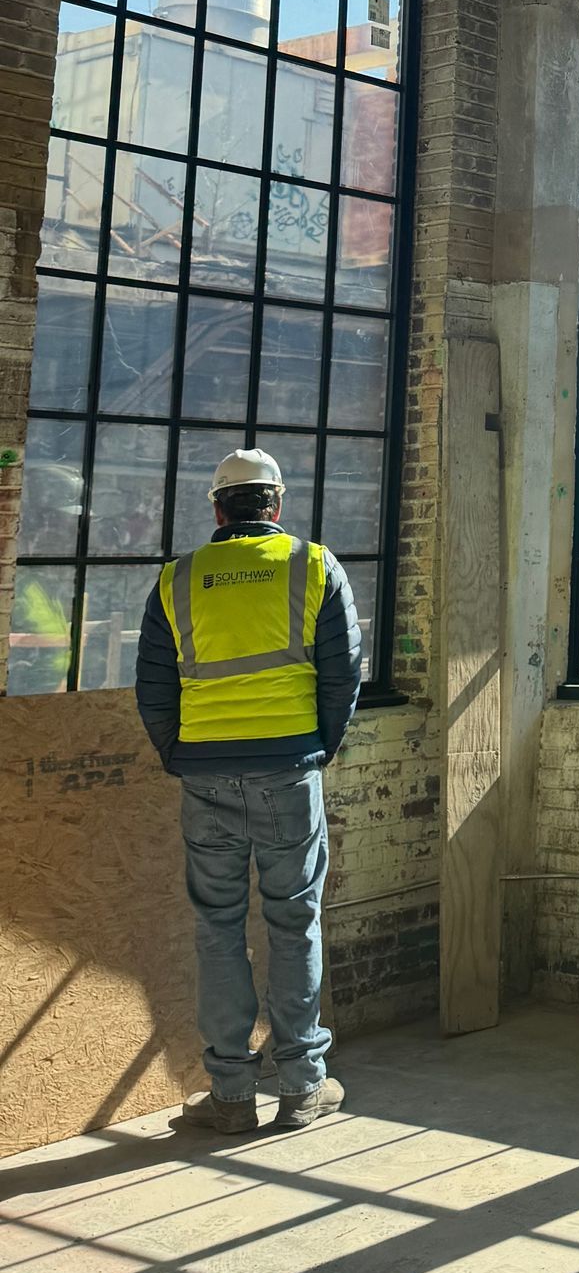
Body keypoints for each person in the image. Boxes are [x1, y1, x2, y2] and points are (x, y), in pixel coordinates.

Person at [135, 448, 362, 1134]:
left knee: (218, 929)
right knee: (295, 923)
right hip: (288, 769)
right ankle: (301, 1087)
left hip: (204, 771)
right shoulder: (315, 565)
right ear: (277, 505)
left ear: (217, 509)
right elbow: (343, 673)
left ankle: (230, 1096)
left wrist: (181, 752)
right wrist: (316, 744)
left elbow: (154, 684)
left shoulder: (177, 579)